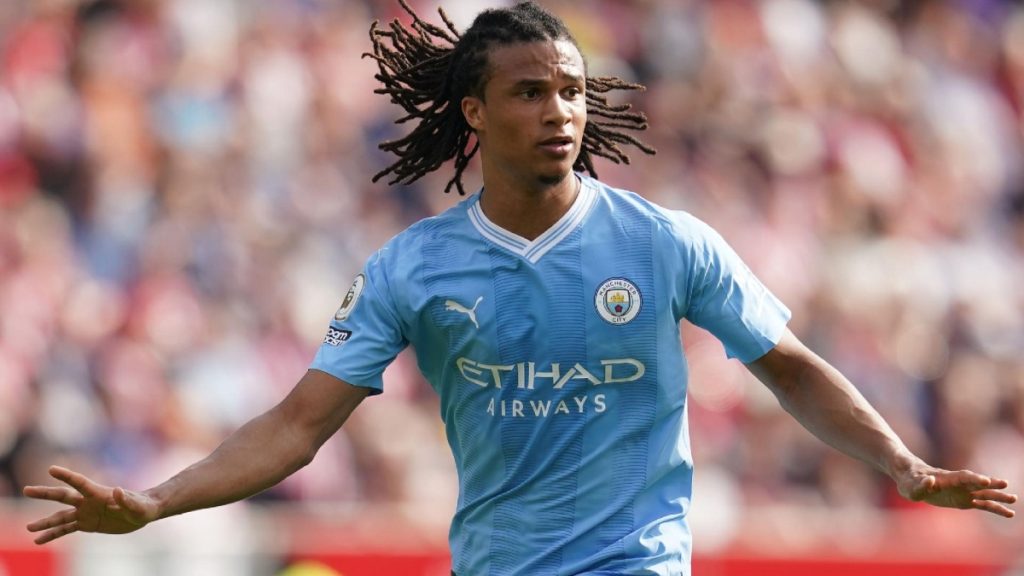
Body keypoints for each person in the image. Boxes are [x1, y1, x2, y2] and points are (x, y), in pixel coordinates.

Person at [24, 2, 1017, 575]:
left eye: (572, 91)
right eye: (531, 92)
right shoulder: (414, 267)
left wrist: (900, 464)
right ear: (474, 111)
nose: (560, 112)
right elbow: (296, 425)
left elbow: (787, 367)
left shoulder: (666, 243)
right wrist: (156, 500)